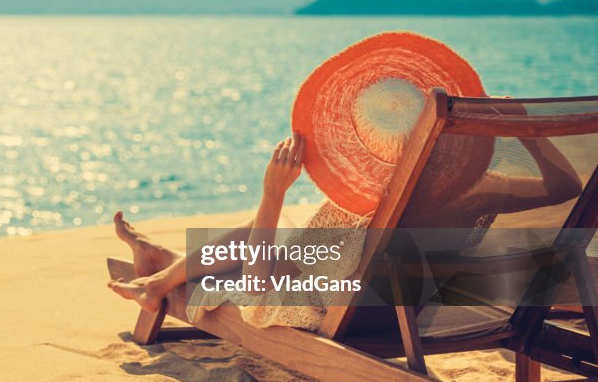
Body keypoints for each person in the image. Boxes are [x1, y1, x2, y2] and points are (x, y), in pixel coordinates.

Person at [107, 120, 582, 331]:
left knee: (267, 228)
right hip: (399, 319)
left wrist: (272, 192)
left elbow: (255, 287)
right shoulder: (476, 191)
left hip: (345, 319)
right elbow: (565, 186)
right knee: (283, 239)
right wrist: (525, 127)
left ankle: (162, 272)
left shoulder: (383, 209)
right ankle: (162, 270)